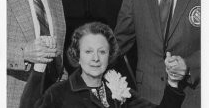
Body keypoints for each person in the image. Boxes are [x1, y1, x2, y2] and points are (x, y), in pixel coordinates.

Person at [20, 22, 185, 108]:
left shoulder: (119, 90)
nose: (96, 59)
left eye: (102, 52)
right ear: (77, 55)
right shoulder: (59, 93)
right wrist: (40, 66)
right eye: (88, 52)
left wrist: (173, 82)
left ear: (110, 55)